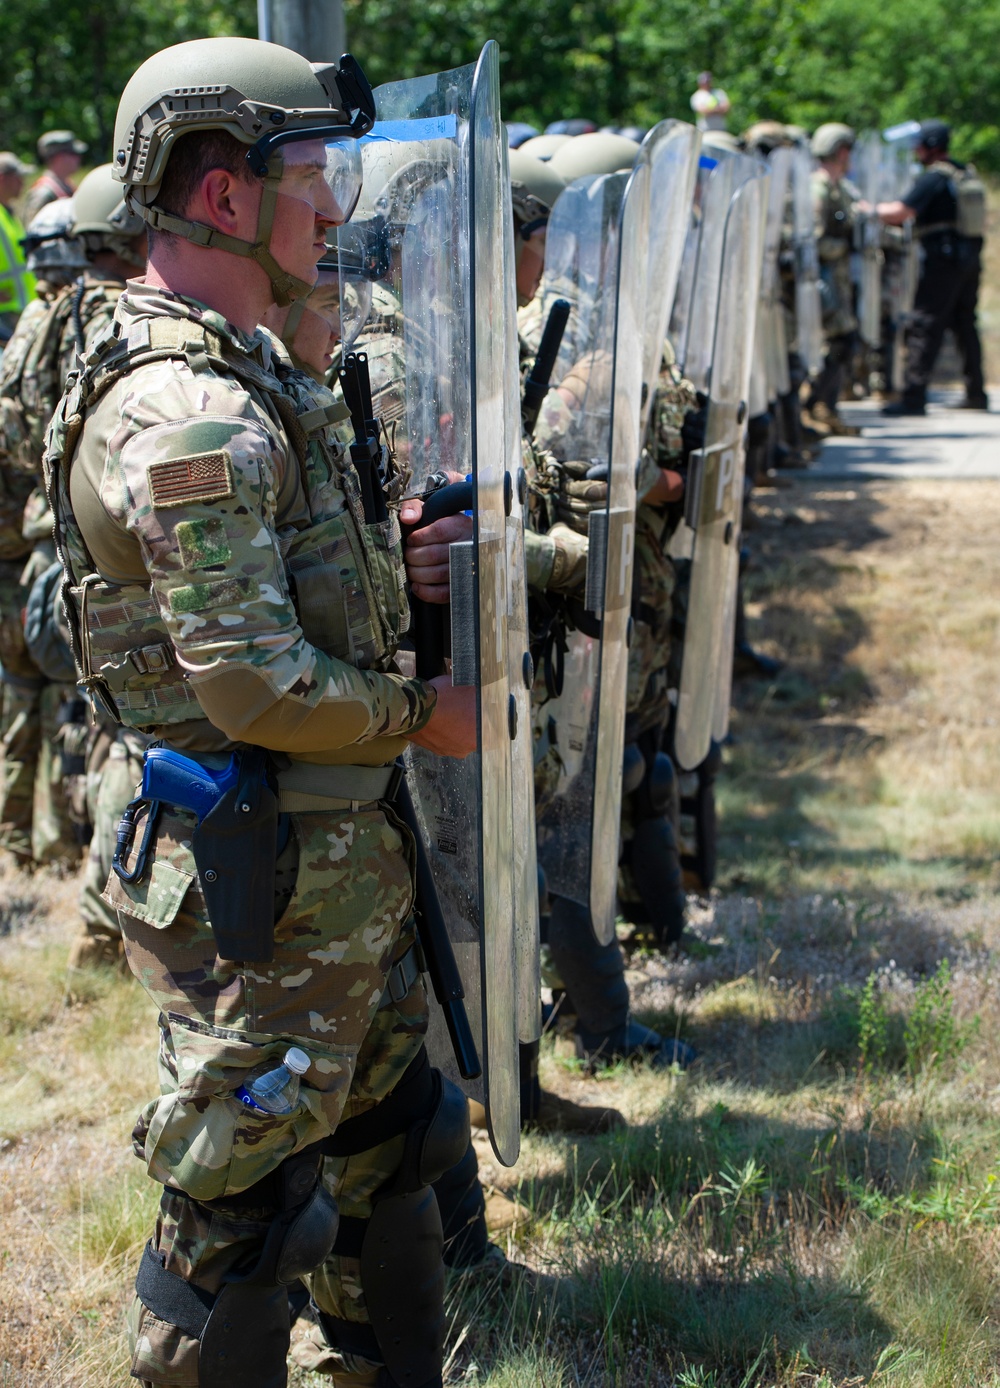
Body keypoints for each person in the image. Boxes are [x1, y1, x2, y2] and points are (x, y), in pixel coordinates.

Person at [44, 36, 477, 1387]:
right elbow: (247, 681)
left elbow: (280, 599)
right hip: (264, 875)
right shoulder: (185, 410)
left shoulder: (248, 372)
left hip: (333, 868)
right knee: (242, 1203)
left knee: (384, 1145)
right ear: (224, 195)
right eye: (313, 174)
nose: (335, 208)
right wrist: (424, 716)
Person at [0, 199, 89, 870]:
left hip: (19, 549)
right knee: (61, 699)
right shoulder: (71, 321)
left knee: (20, 702)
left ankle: (15, 844)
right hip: (46, 542)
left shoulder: (27, 326)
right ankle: (60, 849)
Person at [876, 120, 987, 414]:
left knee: (924, 324)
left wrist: (869, 210)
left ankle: (913, 397)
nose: (916, 151)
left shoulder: (934, 178)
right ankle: (976, 392)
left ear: (932, 146)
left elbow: (900, 212)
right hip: (969, 258)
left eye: (921, 145)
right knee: (965, 325)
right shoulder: (962, 172)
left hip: (943, 261)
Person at [803, 123, 861, 438]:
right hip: (825, 281)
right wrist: (844, 246)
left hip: (839, 280)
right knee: (839, 344)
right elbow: (814, 241)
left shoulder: (839, 189)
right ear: (840, 152)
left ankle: (826, 407)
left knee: (845, 344)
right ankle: (814, 405)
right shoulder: (820, 189)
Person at [0, 153, 36, 341]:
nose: (22, 183)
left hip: (18, 310)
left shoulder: (8, 212)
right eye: (18, 177)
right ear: (2, 178)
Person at [22, 130, 88, 224]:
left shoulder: (67, 186)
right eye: (74, 154)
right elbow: (34, 230)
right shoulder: (43, 193)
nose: (78, 158)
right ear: (59, 157)